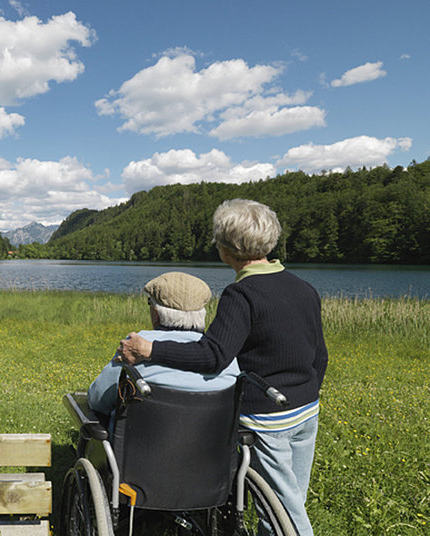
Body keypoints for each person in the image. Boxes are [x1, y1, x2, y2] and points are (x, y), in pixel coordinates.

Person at [118, 199, 328, 536]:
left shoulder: (241, 294)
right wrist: (307, 392)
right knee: (289, 500)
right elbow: (320, 355)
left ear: (226, 249)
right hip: (306, 410)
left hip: (267, 417)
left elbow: (213, 354)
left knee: (285, 514)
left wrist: (150, 348)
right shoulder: (304, 288)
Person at [88, 271, 239, 419]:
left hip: (139, 441)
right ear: (202, 314)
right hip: (212, 442)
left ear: (156, 313)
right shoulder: (224, 354)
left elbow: (97, 399)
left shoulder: (136, 346)